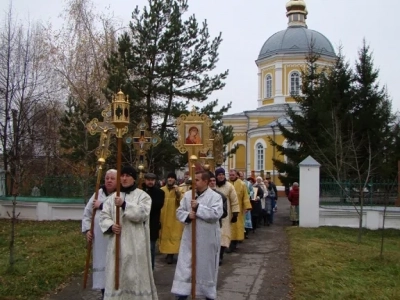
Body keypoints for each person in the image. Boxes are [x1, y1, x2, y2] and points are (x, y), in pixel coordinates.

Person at [99, 166, 157, 300]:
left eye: (128, 175)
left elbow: (143, 214)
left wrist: (125, 205)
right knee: (116, 274)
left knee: (135, 274)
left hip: (136, 243)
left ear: (134, 178)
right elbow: (104, 216)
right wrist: (111, 226)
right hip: (116, 244)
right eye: (122, 175)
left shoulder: (143, 196)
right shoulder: (112, 198)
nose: (124, 178)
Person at [171, 171, 223, 300]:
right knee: (185, 266)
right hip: (189, 238)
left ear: (206, 181)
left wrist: (198, 208)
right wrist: (188, 216)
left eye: (198, 180)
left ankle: (207, 295)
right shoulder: (188, 195)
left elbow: (216, 214)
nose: (194, 182)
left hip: (207, 239)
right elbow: (179, 212)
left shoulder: (215, 197)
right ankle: (182, 294)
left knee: (205, 268)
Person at [82, 169, 117, 299]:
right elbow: (87, 214)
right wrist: (87, 231)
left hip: (115, 238)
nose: (109, 180)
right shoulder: (98, 194)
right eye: (107, 178)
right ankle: (104, 294)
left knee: (115, 268)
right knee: (102, 266)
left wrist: (102, 205)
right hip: (100, 240)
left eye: (112, 178)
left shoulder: (121, 195)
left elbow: (119, 212)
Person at [214, 168, 239, 264]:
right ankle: (214, 255)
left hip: (225, 214)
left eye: (222, 174)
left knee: (223, 235)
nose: (221, 176)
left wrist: (235, 213)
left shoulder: (229, 186)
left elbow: (234, 200)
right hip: (214, 214)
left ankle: (220, 255)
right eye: (219, 175)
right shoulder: (213, 186)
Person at [159, 172, 184, 264]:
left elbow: (182, 202)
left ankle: (171, 255)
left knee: (174, 235)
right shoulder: (162, 190)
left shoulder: (180, 189)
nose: (170, 179)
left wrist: (177, 193)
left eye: (172, 178)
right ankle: (166, 253)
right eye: (169, 177)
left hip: (175, 217)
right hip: (164, 216)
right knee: (164, 234)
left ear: (175, 180)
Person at [142, 172, 165, 270]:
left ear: (155, 181)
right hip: (139, 223)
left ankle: (150, 269)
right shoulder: (140, 190)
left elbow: (156, 206)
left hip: (153, 223)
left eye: (152, 180)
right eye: (148, 180)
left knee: (151, 248)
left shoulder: (160, 193)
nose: (150, 182)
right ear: (145, 180)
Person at [227, 169, 252, 252]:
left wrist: (247, 207)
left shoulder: (242, 184)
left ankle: (234, 244)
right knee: (228, 227)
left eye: (233, 175)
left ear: (236, 175)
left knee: (237, 226)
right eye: (230, 175)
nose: (231, 176)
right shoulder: (227, 184)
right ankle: (228, 244)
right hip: (227, 209)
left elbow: (245, 196)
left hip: (238, 209)